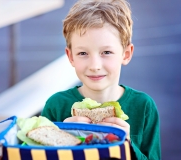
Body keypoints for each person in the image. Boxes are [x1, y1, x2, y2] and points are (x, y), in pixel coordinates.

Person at [41, 0, 161, 159]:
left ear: (125, 54)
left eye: (106, 52)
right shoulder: (56, 106)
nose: (95, 65)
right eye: (83, 53)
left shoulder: (144, 107)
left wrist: (127, 146)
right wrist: (61, 142)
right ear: (70, 57)